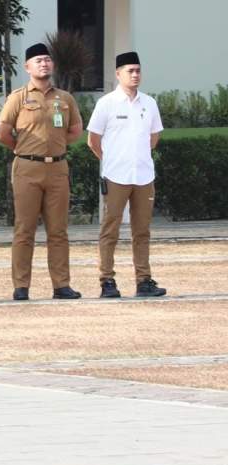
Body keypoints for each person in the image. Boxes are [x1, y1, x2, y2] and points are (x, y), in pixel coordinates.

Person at [0, 42, 84, 301]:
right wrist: (24, 149)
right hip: (27, 168)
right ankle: (21, 286)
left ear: (52, 64)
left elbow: (75, 130)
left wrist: (53, 147)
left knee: (58, 230)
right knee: (25, 229)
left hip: (57, 168)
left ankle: (61, 285)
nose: (43, 64)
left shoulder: (65, 98)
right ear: (27, 67)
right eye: (38, 61)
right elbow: (2, 133)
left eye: (47, 59)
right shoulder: (19, 97)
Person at [87, 51, 166, 298]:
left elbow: (154, 137)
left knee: (142, 231)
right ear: (118, 74)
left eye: (138, 70)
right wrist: (111, 159)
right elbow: (93, 140)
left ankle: (144, 281)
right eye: (130, 71)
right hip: (115, 176)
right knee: (110, 229)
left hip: (144, 176)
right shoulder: (107, 103)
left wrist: (137, 157)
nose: (135, 75)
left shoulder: (149, 103)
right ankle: (107, 281)